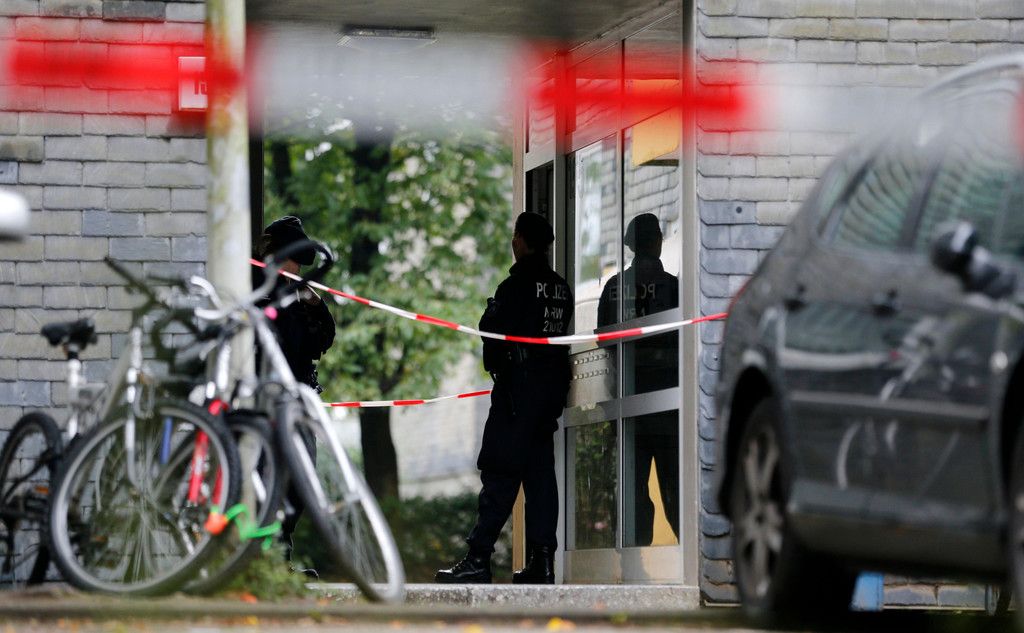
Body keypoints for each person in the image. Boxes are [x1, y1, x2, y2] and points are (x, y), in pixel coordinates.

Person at [435, 212, 573, 585]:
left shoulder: (516, 285)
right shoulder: (561, 288)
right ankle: (543, 563)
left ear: (520, 241)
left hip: (518, 393)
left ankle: (478, 558)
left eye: (515, 236)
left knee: (500, 472)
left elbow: (492, 330)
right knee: (540, 477)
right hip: (548, 393)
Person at [254, 215, 336, 561]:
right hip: (265, 399)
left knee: (301, 479)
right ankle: (266, 556)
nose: (297, 270)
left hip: (298, 397)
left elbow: (323, 339)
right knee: (265, 476)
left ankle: (282, 552)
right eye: (293, 261)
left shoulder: (300, 294)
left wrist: (316, 305)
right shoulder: (255, 288)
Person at [595, 213, 680, 544]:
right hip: (668, 406)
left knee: (632, 490)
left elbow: (604, 340)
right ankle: (688, 553)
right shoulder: (673, 287)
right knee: (674, 488)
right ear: (657, 241)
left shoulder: (614, 288)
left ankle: (634, 558)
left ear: (631, 245)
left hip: (628, 404)